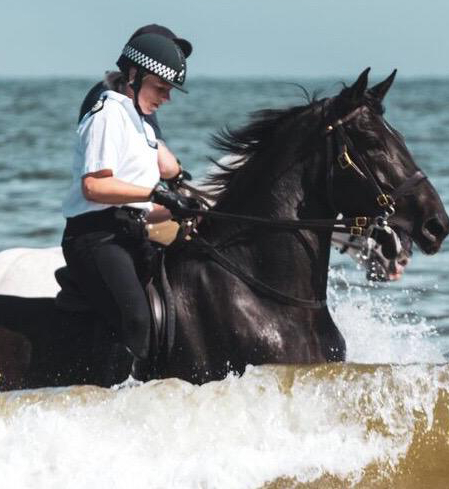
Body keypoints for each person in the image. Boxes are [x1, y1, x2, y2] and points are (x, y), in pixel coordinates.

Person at [61, 32, 197, 382]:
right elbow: (94, 186)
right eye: (161, 88)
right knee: (135, 318)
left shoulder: (142, 126)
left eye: (169, 91)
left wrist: (179, 208)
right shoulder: (107, 114)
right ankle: (113, 402)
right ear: (134, 76)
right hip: (95, 238)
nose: (166, 98)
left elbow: (138, 206)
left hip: (128, 231)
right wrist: (157, 193)